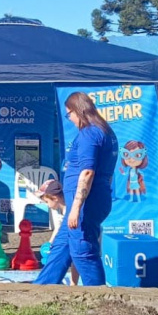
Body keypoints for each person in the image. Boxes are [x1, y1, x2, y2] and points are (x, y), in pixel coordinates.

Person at [34, 91, 117, 286]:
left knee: (82, 250)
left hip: (84, 204)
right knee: (61, 247)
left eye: (68, 114)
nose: (69, 119)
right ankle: (42, 289)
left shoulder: (90, 133)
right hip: (90, 199)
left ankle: (98, 296)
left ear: (76, 111)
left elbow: (87, 173)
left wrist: (76, 208)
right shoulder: (104, 131)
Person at [35, 179, 80, 286]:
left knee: (76, 257)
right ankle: (73, 284)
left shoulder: (69, 210)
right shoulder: (60, 210)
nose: (47, 205)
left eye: (47, 202)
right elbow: (59, 228)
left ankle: (74, 284)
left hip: (76, 238)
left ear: (55, 198)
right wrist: (50, 242)